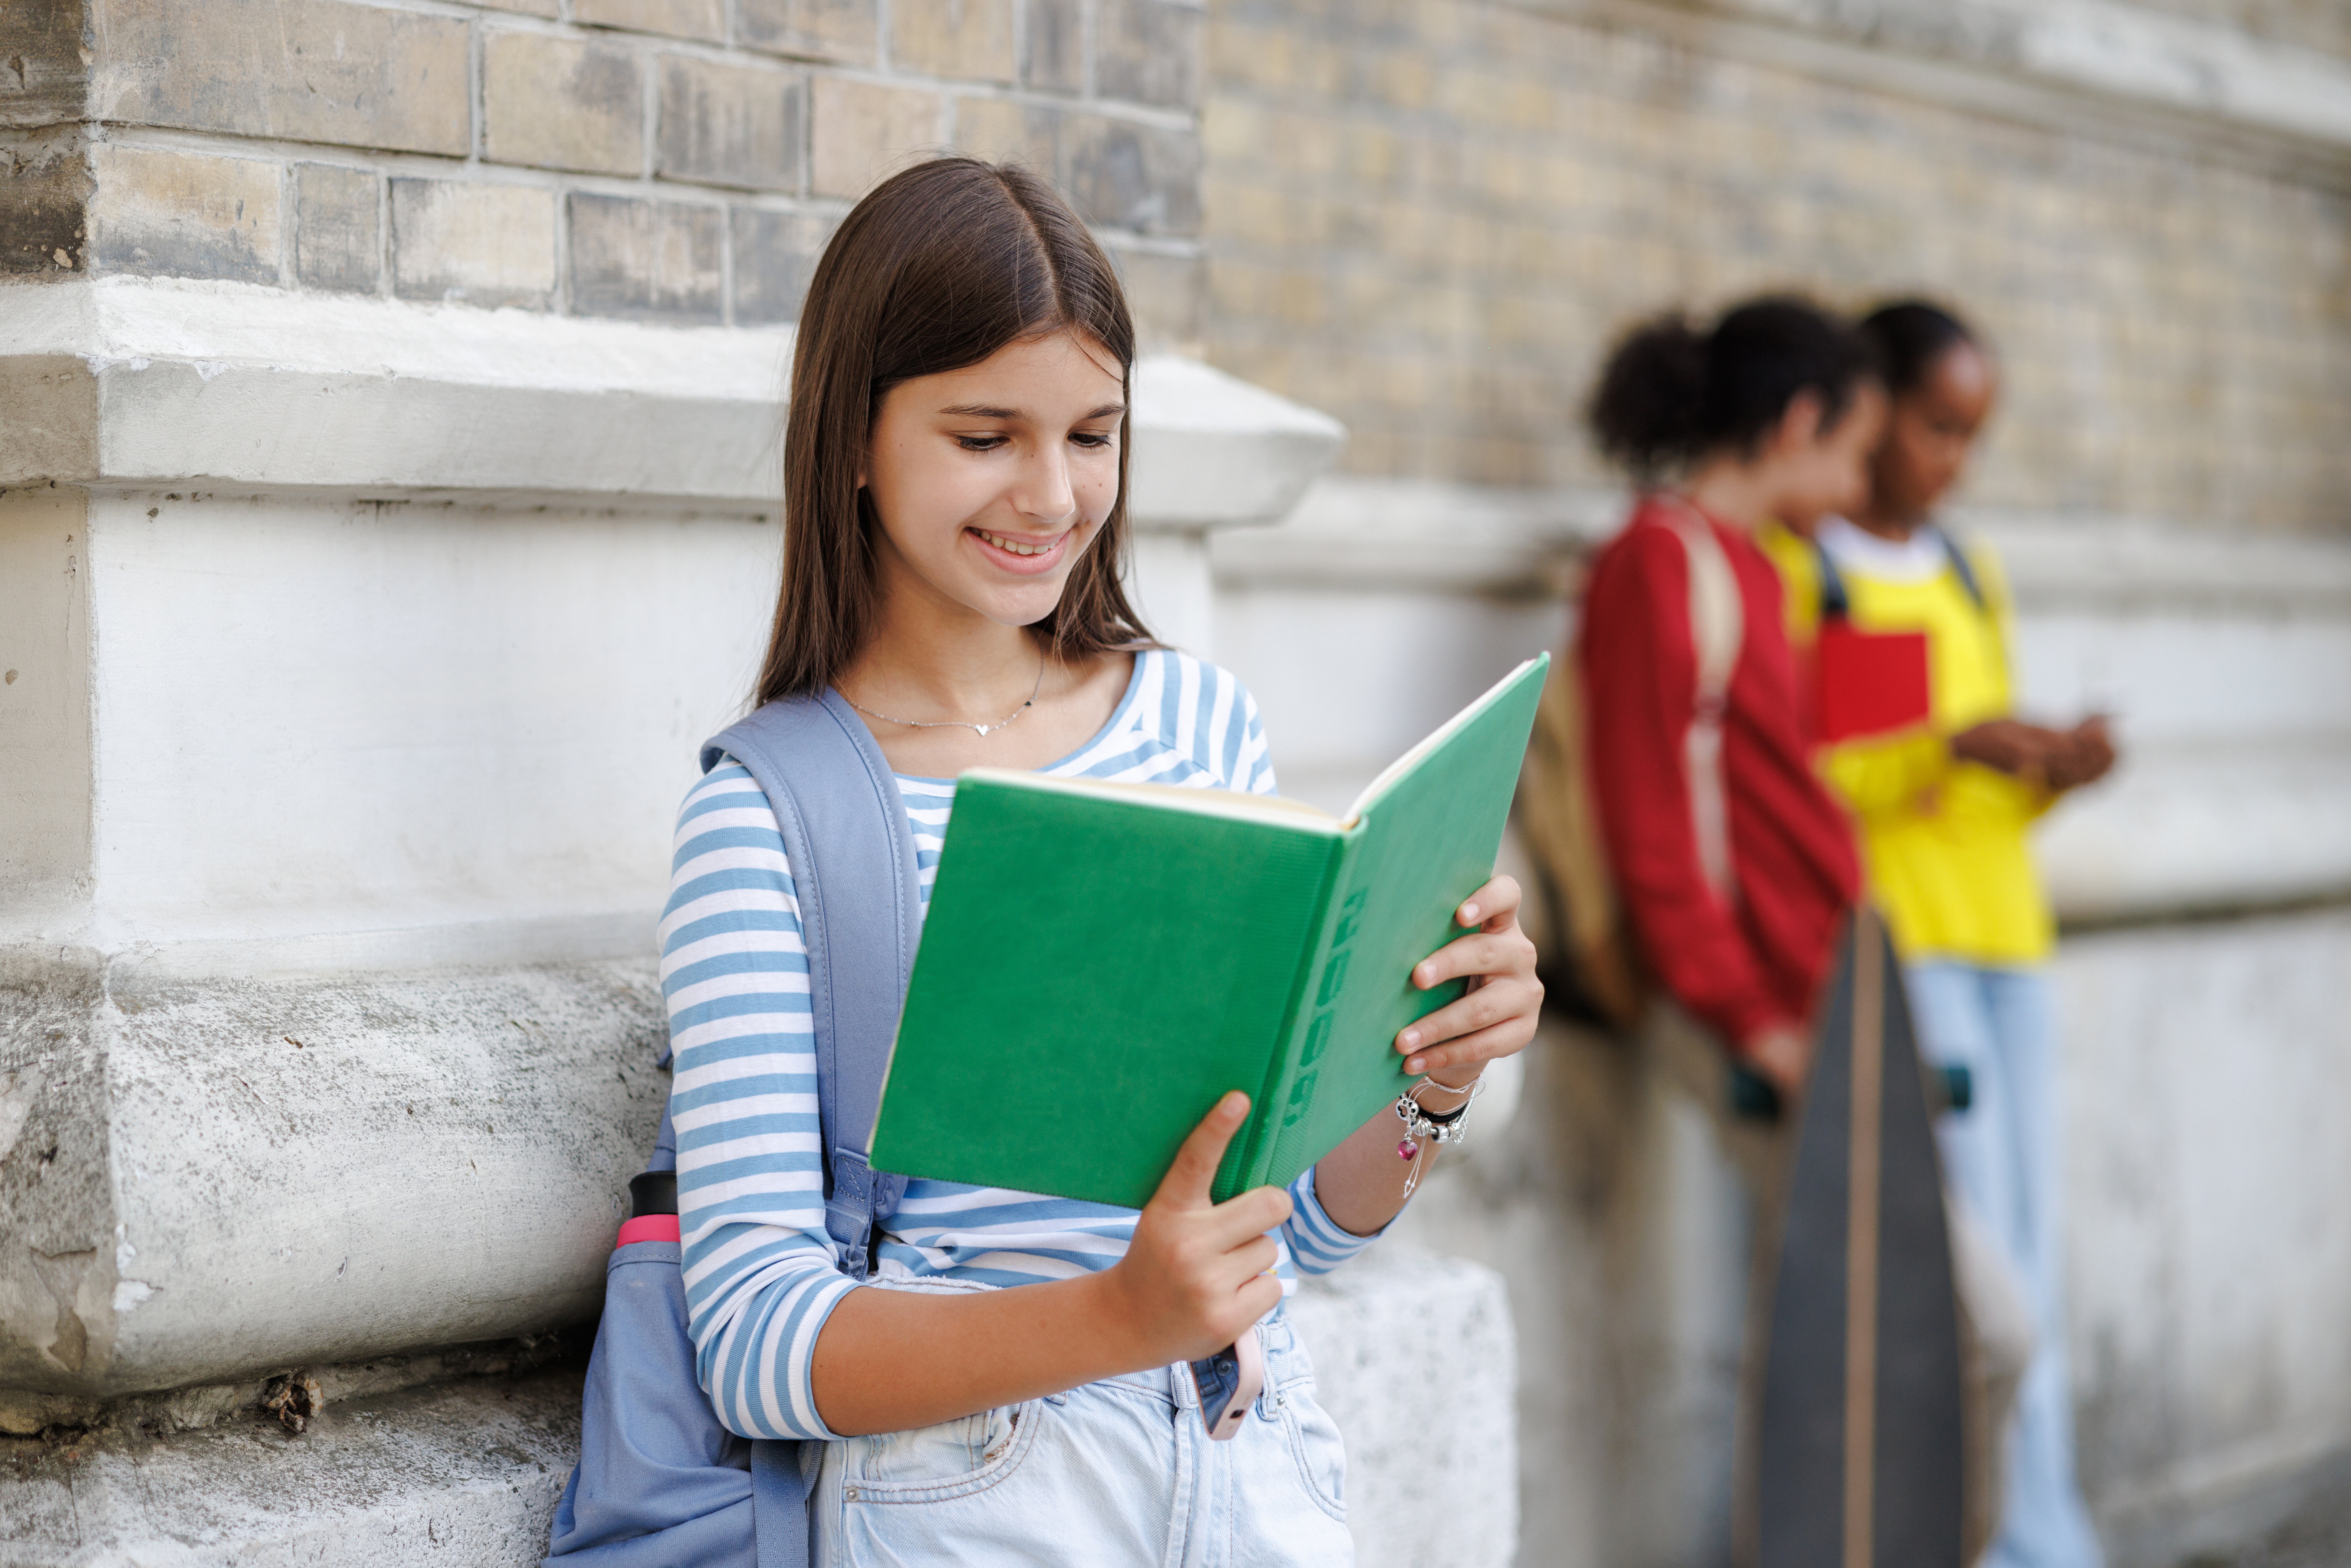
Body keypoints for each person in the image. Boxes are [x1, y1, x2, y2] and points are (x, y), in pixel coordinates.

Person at [660, 157, 1543, 1563]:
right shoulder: (770, 813)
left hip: (1253, 1464)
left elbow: (1295, 1227)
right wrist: (1119, 1318)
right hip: (976, 1497)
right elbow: (759, 1340)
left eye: (1092, 433)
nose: (1051, 494)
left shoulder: (1198, 725)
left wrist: (1431, 1079)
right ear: (853, 438)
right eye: (983, 434)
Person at [1766, 300, 2112, 1568]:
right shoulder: (1814, 575)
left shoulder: (1970, 569)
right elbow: (1808, 774)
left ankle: (2045, 1532)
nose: (1952, 457)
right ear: (1876, 413)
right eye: (1934, 426)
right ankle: (2016, 1544)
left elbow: (1978, 768)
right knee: (1982, 1282)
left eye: (1972, 434)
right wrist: (1947, 746)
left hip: (2005, 932)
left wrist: (2051, 763)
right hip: (1898, 940)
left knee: (2033, 1250)